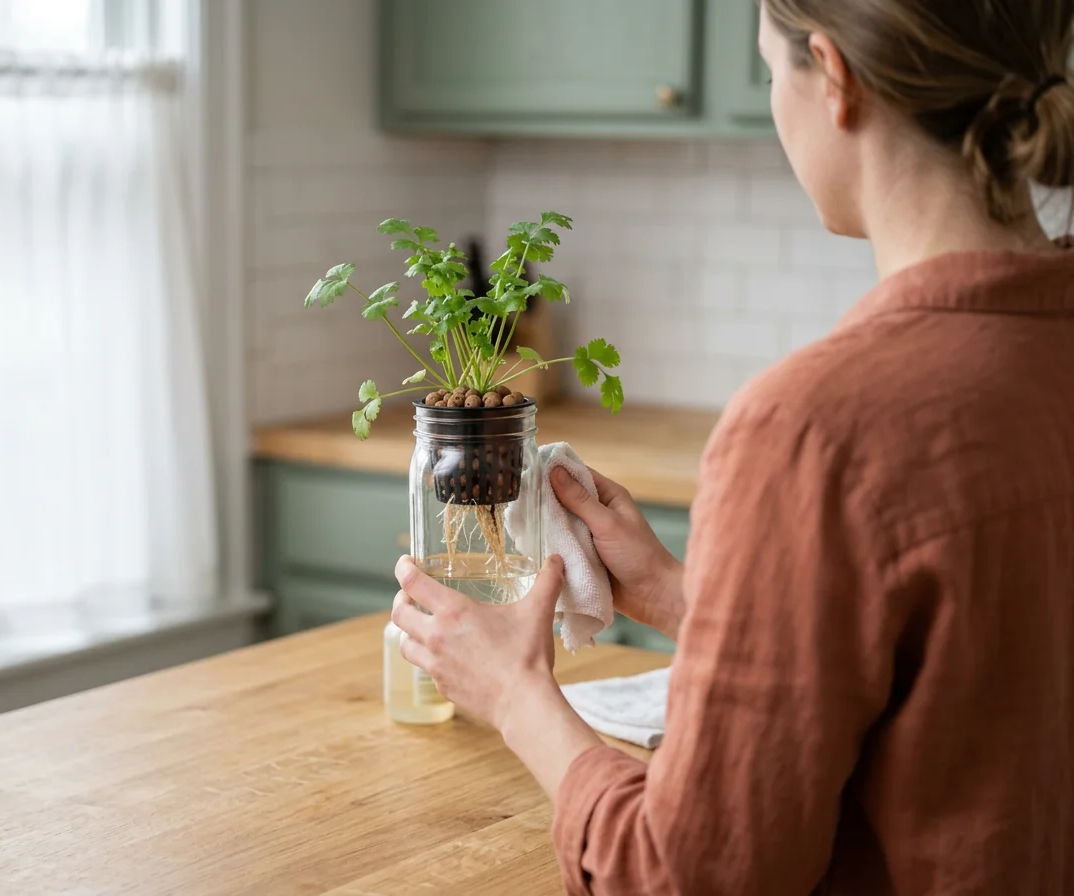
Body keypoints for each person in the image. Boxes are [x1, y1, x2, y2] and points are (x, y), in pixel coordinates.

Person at [391, 0, 1074, 891]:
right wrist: (686, 597)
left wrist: (517, 694)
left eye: (768, 70)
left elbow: (690, 875)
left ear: (831, 77)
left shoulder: (814, 430)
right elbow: (972, 671)